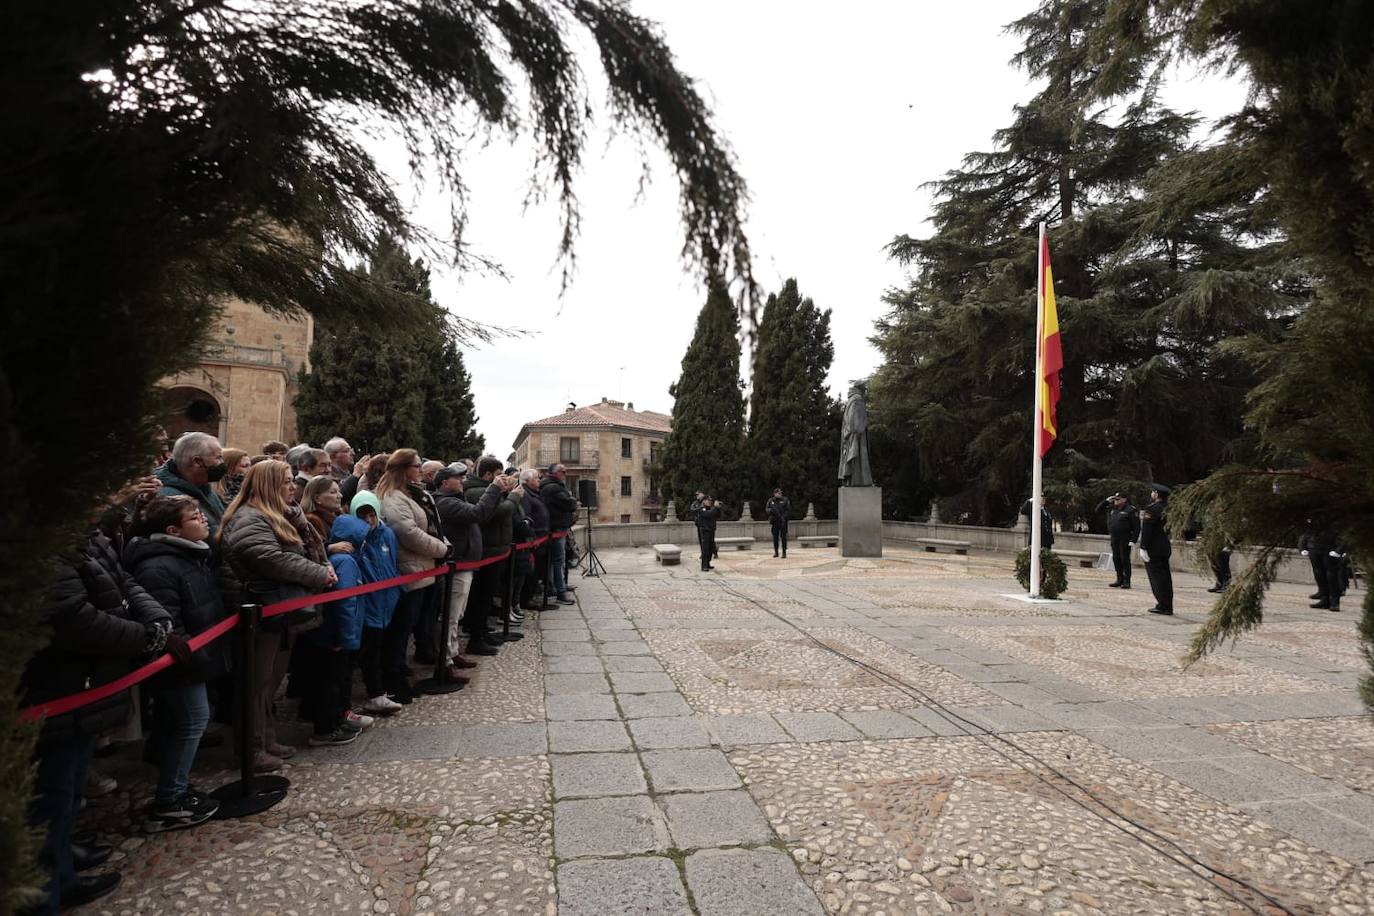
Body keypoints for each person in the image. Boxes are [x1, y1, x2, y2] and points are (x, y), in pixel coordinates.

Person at [21, 515, 173, 912]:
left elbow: (124, 582)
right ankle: (44, 893)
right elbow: (74, 619)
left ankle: (64, 871)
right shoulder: (38, 542)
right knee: (47, 800)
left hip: (86, 687)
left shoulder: (82, 536)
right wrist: (142, 638)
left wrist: (156, 622)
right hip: (56, 686)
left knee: (68, 790)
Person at [218, 460, 336, 771]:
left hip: (279, 612)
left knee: (269, 682)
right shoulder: (250, 518)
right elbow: (269, 559)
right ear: (269, 485)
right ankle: (250, 748)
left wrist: (323, 567)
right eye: (285, 482)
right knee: (255, 685)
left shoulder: (283, 514)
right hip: (260, 609)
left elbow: (309, 548)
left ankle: (266, 738)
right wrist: (318, 574)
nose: (292, 487)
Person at [124, 496, 232, 832]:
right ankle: (169, 799)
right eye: (195, 516)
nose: (203, 519)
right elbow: (168, 620)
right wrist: (188, 656)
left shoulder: (190, 555)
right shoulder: (158, 566)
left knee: (182, 722)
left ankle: (177, 787)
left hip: (198, 656)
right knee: (192, 721)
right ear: (173, 529)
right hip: (181, 663)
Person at [376, 448, 450, 703]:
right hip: (410, 569)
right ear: (403, 469)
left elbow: (430, 525)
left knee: (412, 624)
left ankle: (399, 674)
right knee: (400, 629)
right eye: (417, 465)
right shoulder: (394, 498)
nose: (421, 469)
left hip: (424, 568)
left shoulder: (413, 494)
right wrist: (441, 549)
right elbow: (407, 532)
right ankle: (393, 680)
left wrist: (443, 544)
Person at [299, 514, 373, 746]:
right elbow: (345, 603)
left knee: (335, 680)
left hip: (332, 633)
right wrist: (348, 637)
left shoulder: (341, 559)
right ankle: (326, 728)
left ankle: (338, 718)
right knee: (331, 681)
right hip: (335, 635)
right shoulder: (346, 563)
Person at [434, 465, 509, 663]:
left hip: (466, 562)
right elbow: (477, 513)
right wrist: (493, 489)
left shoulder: (456, 499)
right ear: (444, 483)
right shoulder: (445, 502)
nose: (462, 481)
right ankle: (446, 659)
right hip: (458, 563)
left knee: (458, 613)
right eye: (457, 478)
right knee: (451, 614)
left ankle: (453, 652)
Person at [349, 491, 404, 715]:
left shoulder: (387, 534)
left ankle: (382, 689)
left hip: (387, 599)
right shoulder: (354, 539)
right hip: (368, 602)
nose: (368, 521)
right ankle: (375, 692)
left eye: (372, 515)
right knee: (369, 650)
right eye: (362, 517)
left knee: (381, 647)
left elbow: (392, 561)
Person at [464, 458, 521, 650]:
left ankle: (482, 632)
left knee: (485, 596)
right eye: (498, 475)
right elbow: (499, 513)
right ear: (488, 475)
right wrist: (514, 496)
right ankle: (476, 637)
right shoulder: (478, 491)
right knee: (481, 595)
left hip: (495, 548)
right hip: (488, 549)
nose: (502, 480)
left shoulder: (488, 490)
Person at [155, 432, 228, 538]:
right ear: (197, 461)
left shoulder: (205, 488)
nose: (222, 463)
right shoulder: (167, 498)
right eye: (218, 457)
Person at [539, 463, 578, 605]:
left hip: (553, 528)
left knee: (552, 562)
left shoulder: (547, 485)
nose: (565, 474)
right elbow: (569, 504)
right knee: (558, 561)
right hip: (556, 528)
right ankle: (560, 592)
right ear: (555, 473)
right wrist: (572, 499)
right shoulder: (553, 487)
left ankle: (553, 586)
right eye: (563, 471)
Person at [518, 469, 553, 611]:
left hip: (542, 539)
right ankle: (526, 600)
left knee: (538, 571)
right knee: (531, 573)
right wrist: (532, 537)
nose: (539, 480)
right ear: (527, 481)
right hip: (535, 540)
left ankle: (532, 597)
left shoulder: (534, 494)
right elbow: (526, 517)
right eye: (536, 479)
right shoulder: (525, 495)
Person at [1138, 484, 1174, 615]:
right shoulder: (1169, 508)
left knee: (1157, 578)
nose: (1151, 494)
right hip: (1165, 546)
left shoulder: (1152, 509)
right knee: (1166, 577)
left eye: (1153, 492)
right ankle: (1167, 604)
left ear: (1157, 495)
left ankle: (1163, 605)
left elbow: (1147, 530)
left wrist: (1143, 547)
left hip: (1154, 548)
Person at [1301, 520, 1348, 611]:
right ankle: (1324, 599)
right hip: (1314, 547)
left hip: (1329, 548)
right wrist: (1303, 547)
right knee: (1319, 574)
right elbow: (1306, 533)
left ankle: (1334, 602)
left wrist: (1339, 550)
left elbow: (1344, 534)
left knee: (1331, 576)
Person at [1096, 493, 1140, 589]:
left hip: (1125, 537)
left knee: (1124, 559)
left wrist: (1133, 540)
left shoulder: (1131, 510)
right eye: (1115, 499)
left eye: (1118, 499)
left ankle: (1126, 581)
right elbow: (1098, 510)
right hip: (1114, 537)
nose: (1115, 501)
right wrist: (1107, 500)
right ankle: (1119, 579)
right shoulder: (1112, 508)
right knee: (1116, 558)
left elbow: (1137, 527)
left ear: (1124, 499)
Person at [696, 495, 722, 571]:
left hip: (711, 531)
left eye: (710, 500)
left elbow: (718, 515)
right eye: (708, 500)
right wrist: (715, 507)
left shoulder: (711, 509)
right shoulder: (701, 509)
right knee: (705, 549)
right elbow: (708, 514)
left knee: (710, 549)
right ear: (704, 501)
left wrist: (718, 508)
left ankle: (708, 563)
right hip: (705, 531)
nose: (709, 502)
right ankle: (704, 566)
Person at [765, 488, 791, 558]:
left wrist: (783, 517)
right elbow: (767, 509)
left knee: (783, 537)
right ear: (775, 494)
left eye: (781, 493)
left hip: (783, 521)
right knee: (775, 537)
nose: (780, 494)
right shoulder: (771, 500)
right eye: (778, 493)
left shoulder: (785, 500)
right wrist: (771, 511)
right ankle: (776, 552)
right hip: (774, 521)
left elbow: (788, 510)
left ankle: (784, 552)